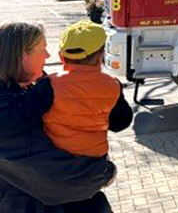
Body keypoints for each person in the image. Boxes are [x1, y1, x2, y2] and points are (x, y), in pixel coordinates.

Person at [0, 21, 116, 212]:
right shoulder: (9, 113)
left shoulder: (33, 89)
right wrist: (104, 172)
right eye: (42, 49)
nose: (48, 55)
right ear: (21, 56)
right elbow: (59, 178)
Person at [42, 20, 133, 159]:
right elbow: (120, 123)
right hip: (95, 160)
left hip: (56, 160)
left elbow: (28, 118)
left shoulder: (49, 84)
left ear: (61, 57)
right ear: (101, 56)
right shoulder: (113, 85)